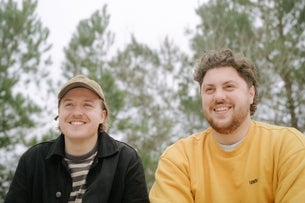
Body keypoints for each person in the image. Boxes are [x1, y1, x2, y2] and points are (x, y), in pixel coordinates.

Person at [149, 48, 305, 202]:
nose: (218, 96)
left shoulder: (288, 147)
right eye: (209, 89)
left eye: (229, 86)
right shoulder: (178, 159)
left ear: (250, 94)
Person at [5, 75, 149, 203]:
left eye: (87, 105)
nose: (77, 112)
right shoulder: (33, 160)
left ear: (102, 115)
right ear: (59, 113)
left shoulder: (126, 160)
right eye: (69, 104)